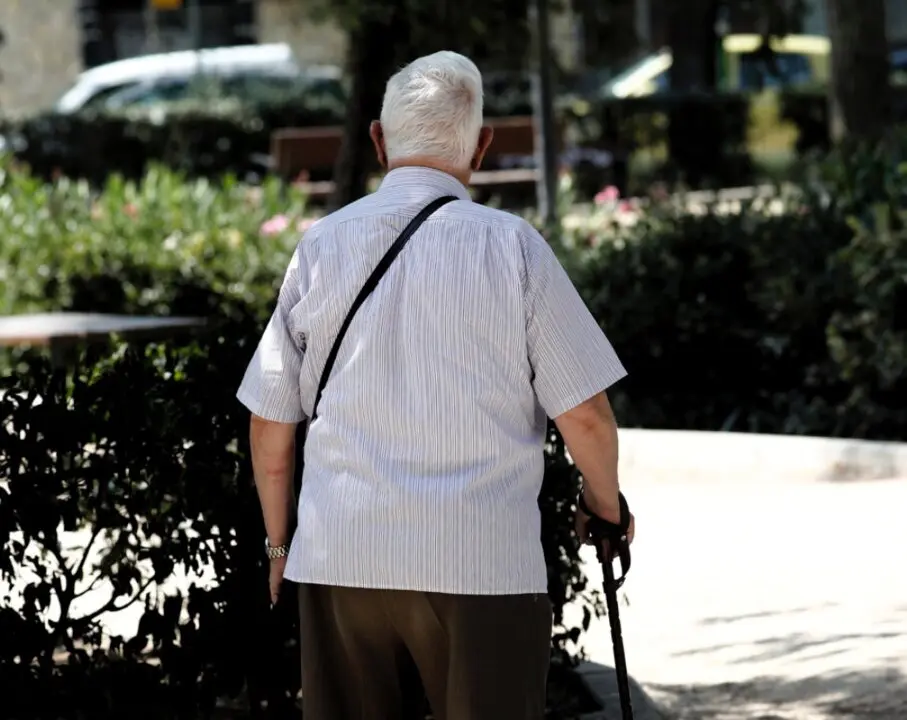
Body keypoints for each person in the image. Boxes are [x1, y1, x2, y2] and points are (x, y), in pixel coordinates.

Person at [236, 50, 634, 720]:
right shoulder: (512, 247)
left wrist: (280, 546)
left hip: (342, 557)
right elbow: (587, 416)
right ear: (481, 145)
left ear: (377, 140)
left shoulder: (320, 246)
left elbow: (270, 425)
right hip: (479, 562)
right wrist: (605, 508)